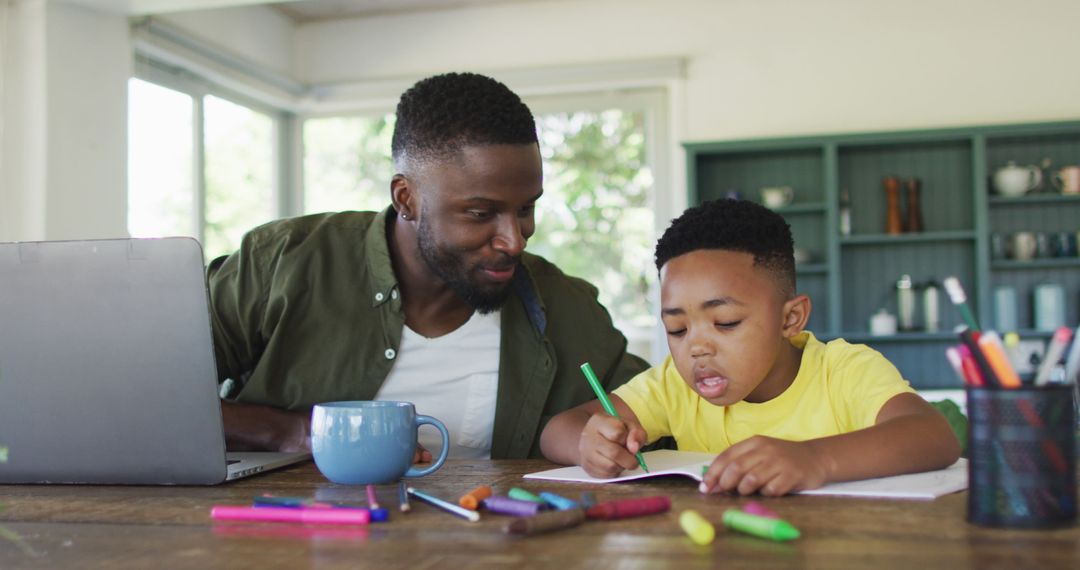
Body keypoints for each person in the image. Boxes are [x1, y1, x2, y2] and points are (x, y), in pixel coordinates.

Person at [207, 72, 649, 460]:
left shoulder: (565, 306)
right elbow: (149, 390)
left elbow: (668, 406)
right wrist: (293, 432)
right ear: (407, 198)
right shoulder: (282, 262)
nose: (514, 240)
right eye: (480, 213)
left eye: (526, 209)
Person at [539, 198, 961, 495]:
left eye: (726, 323)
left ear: (790, 318)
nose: (697, 349)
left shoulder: (844, 371)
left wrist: (814, 460)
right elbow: (558, 429)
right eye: (677, 329)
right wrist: (588, 443)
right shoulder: (674, 384)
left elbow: (933, 437)